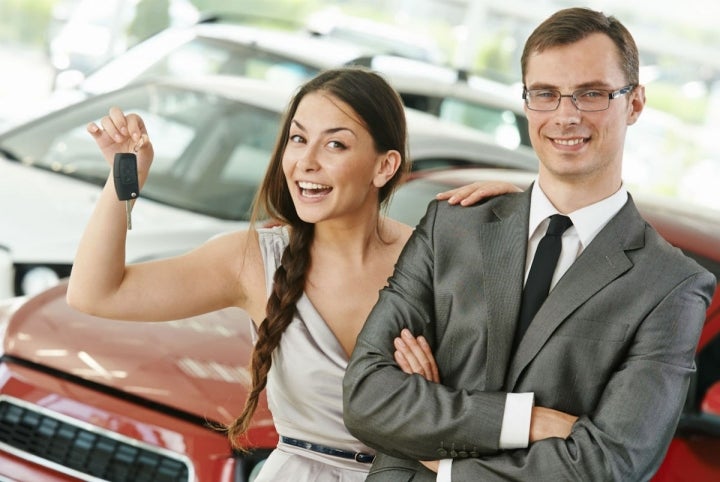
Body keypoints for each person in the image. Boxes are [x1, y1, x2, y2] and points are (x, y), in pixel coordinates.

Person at [66, 66, 518, 481]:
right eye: (298, 139)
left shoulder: (440, 259)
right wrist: (124, 179)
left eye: (335, 144)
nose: (306, 161)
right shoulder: (251, 260)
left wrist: (531, 215)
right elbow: (96, 293)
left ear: (385, 166)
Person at [343, 7, 717, 482]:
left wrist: (443, 460)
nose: (566, 115)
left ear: (636, 103)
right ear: (526, 102)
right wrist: (526, 421)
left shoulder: (670, 287)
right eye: (545, 94)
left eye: (592, 94)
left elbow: (608, 466)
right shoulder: (452, 226)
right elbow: (367, 397)